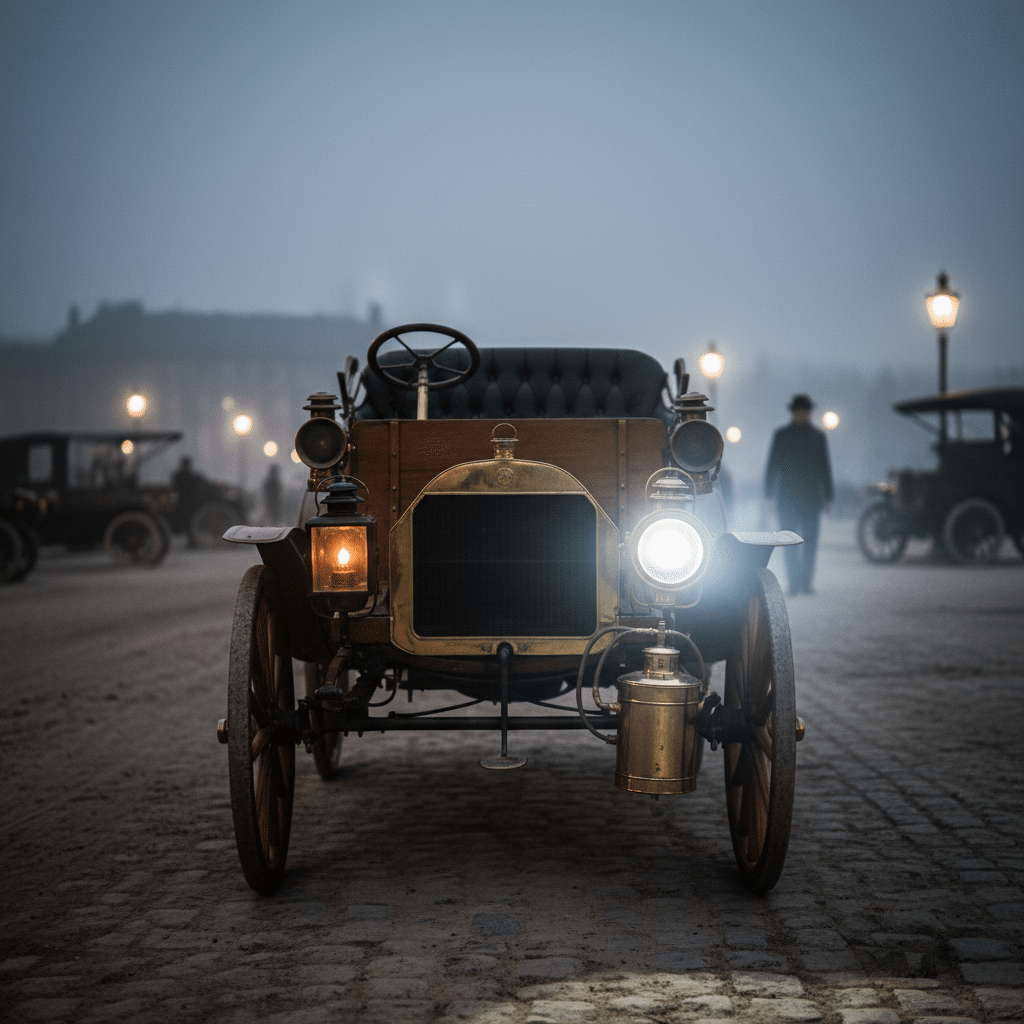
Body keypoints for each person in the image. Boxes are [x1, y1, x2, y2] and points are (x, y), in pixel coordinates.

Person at [764, 394, 833, 595]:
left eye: (805, 412)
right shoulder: (782, 435)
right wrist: (768, 495)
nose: (802, 415)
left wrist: (828, 496)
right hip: (788, 498)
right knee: (790, 543)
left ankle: (805, 583)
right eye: (800, 411)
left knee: (809, 542)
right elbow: (772, 466)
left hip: (809, 498)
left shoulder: (817, 437)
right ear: (794, 412)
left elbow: (824, 468)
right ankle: (795, 583)